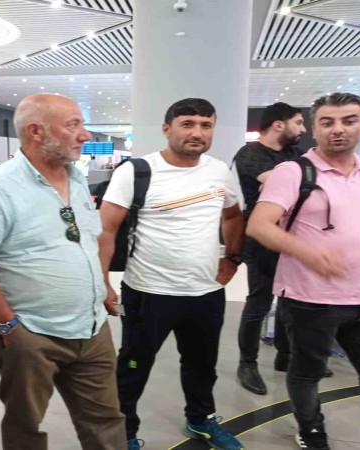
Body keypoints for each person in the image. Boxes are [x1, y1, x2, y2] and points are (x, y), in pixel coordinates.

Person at [247, 93, 360, 450]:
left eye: (349, 120)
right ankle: (311, 429)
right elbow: (259, 225)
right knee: (306, 373)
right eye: (327, 122)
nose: (338, 129)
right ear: (314, 129)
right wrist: (309, 253)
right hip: (310, 299)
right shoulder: (293, 172)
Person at [0, 93, 126, 450]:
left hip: (92, 327)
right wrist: (10, 327)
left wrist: (103, 285)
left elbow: (88, 240)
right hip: (31, 333)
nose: (85, 135)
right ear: (36, 131)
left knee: (106, 420)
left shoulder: (76, 179)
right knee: (25, 425)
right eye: (73, 125)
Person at [99, 98, 245, 450]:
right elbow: (105, 230)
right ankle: (124, 432)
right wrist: (102, 282)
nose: (197, 132)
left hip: (205, 292)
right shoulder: (136, 172)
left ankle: (200, 419)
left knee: (202, 365)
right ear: (167, 129)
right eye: (187, 124)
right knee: (134, 366)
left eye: (206, 125)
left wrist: (232, 258)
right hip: (148, 291)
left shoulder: (219, 171)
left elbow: (233, 215)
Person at [233, 102, 309, 395]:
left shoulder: (294, 153)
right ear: (278, 125)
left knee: (291, 300)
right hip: (262, 239)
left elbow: (307, 185)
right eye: (298, 122)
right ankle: (247, 363)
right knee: (259, 303)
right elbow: (287, 185)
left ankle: (285, 356)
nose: (303, 129)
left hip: (293, 237)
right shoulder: (250, 154)